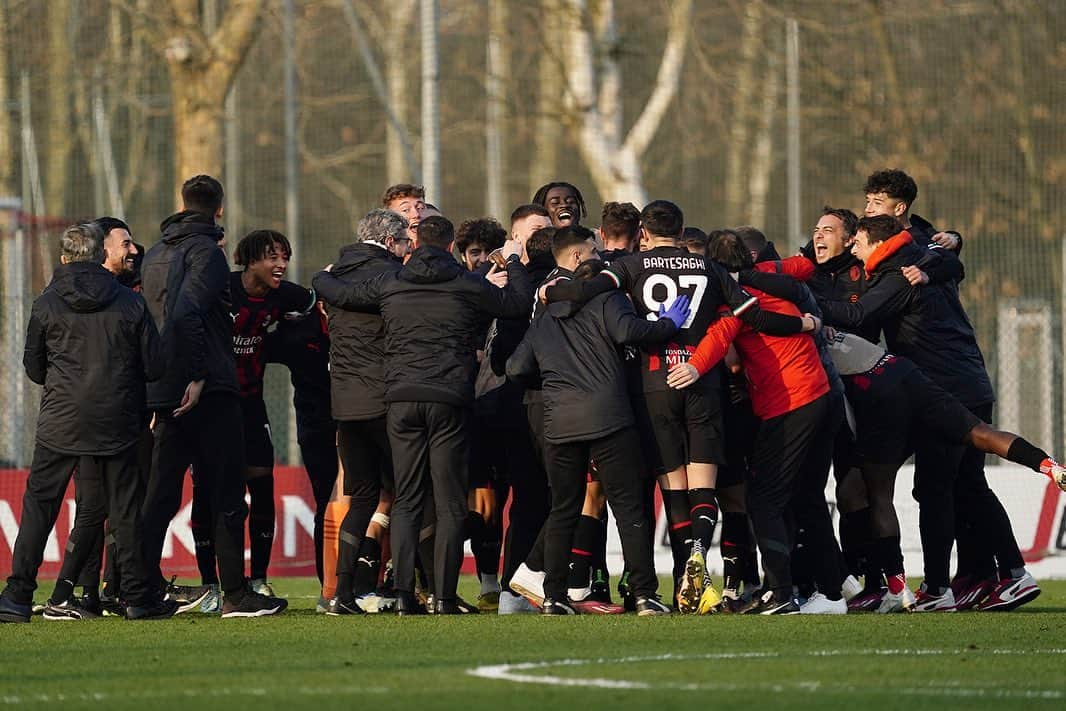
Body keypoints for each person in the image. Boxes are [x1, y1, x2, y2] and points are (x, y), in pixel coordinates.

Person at [543, 201, 817, 614]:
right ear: (682, 228)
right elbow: (753, 317)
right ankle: (698, 561)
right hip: (702, 382)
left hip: (653, 385)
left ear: (645, 233)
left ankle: (679, 590)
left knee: (673, 489)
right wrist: (805, 325)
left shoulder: (631, 266)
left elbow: (586, 291)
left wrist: (552, 290)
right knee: (703, 485)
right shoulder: (711, 270)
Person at [312, 215, 532, 614]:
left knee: (408, 497)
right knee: (448, 501)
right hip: (448, 398)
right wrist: (514, 261)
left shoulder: (391, 282)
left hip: (400, 398)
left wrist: (320, 277)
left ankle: (399, 594)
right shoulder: (465, 284)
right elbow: (516, 304)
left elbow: (340, 293)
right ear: (451, 247)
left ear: (414, 245)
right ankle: (443, 597)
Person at [817, 214, 1035, 611]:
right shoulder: (922, 256)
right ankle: (977, 575)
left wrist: (806, 305)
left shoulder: (901, 270)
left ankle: (953, 584)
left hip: (940, 387)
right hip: (939, 384)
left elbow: (858, 314)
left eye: (875, 202)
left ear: (897, 211)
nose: (867, 207)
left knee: (939, 487)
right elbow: (951, 258)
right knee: (952, 485)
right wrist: (953, 240)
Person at [506, 236, 690, 616]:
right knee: (628, 509)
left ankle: (554, 596)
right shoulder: (607, 299)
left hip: (560, 421)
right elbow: (629, 333)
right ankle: (643, 594)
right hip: (609, 417)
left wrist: (554, 381)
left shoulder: (543, 317)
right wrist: (669, 323)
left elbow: (515, 368)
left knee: (563, 509)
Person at [0, 223, 174, 623]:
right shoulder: (130, 304)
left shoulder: (45, 303)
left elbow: (34, 368)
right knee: (125, 510)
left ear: (63, 259)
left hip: (60, 420)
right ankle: (136, 599)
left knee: (40, 507)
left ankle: (17, 596)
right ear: (100, 257)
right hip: (117, 419)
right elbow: (155, 365)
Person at [822, 330, 1066, 612]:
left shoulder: (802, 333)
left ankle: (899, 589)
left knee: (876, 492)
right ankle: (1050, 466)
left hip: (877, 391)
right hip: (905, 371)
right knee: (981, 434)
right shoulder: (820, 321)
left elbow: (843, 409)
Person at [140, 175, 287, 618]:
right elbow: (189, 314)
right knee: (227, 494)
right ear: (219, 209)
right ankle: (236, 595)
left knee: (160, 494)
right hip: (209, 391)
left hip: (164, 388)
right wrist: (200, 374)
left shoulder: (155, 255)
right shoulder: (208, 254)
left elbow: (152, 321)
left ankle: (138, 590)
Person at [675, 230, 829, 615]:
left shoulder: (735, 301)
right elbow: (801, 265)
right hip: (814, 392)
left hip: (792, 401)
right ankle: (800, 586)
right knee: (792, 497)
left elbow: (720, 334)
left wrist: (693, 367)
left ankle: (783, 592)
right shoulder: (769, 276)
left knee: (764, 501)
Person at [316, 208, 405, 616]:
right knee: (407, 494)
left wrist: (321, 280)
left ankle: (342, 592)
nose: (408, 250)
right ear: (389, 241)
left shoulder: (335, 274)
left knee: (362, 498)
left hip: (346, 405)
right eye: (405, 242)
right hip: (386, 401)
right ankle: (405, 591)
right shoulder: (389, 275)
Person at [229, 229, 316, 596]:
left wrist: (287, 340)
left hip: (251, 402)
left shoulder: (286, 296)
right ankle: (213, 582)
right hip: (214, 406)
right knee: (217, 494)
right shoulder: (222, 289)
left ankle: (259, 579)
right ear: (250, 260)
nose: (281, 265)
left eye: (285, 257)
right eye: (272, 257)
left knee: (263, 485)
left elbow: (316, 304)